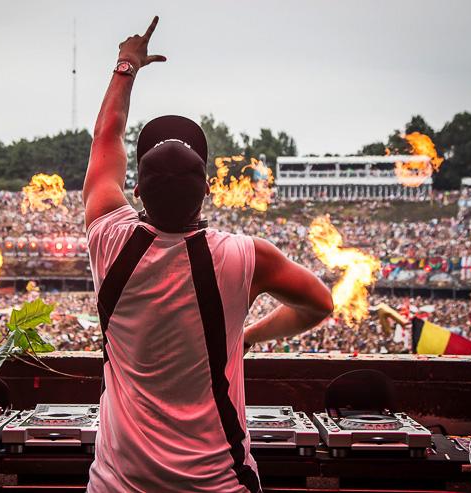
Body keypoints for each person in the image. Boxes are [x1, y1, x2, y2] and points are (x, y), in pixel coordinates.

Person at [82, 16, 334, 492]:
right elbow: (319, 304)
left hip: (118, 483)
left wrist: (126, 66)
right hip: (219, 483)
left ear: (136, 192)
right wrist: (249, 336)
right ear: (206, 193)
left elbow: (106, 138)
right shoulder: (243, 257)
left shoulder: (107, 238)